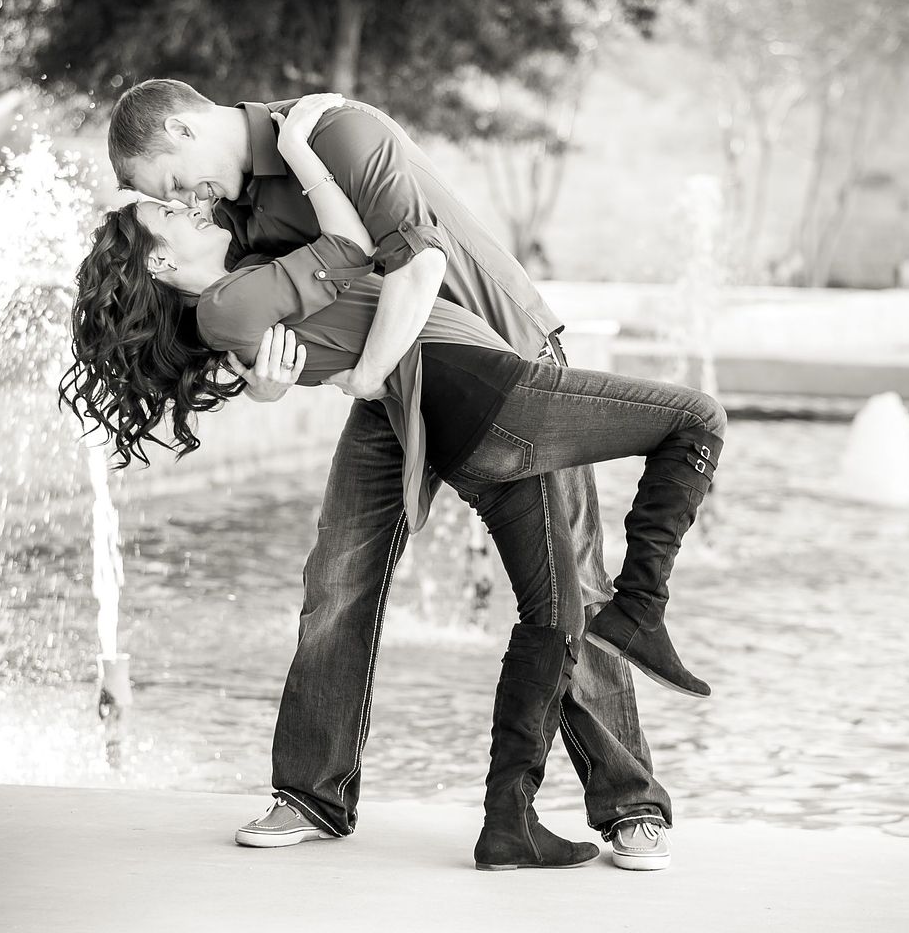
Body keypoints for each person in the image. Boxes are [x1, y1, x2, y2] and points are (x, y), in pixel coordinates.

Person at [62, 95, 725, 871]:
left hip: (497, 365)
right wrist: (266, 384)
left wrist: (359, 373)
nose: (178, 200)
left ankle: (628, 807)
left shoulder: (338, 133)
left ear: (182, 127)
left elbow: (417, 264)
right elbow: (253, 318)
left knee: (569, 589)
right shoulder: (224, 208)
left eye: (172, 180)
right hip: (390, 387)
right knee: (338, 578)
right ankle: (311, 795)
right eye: (167, 199)